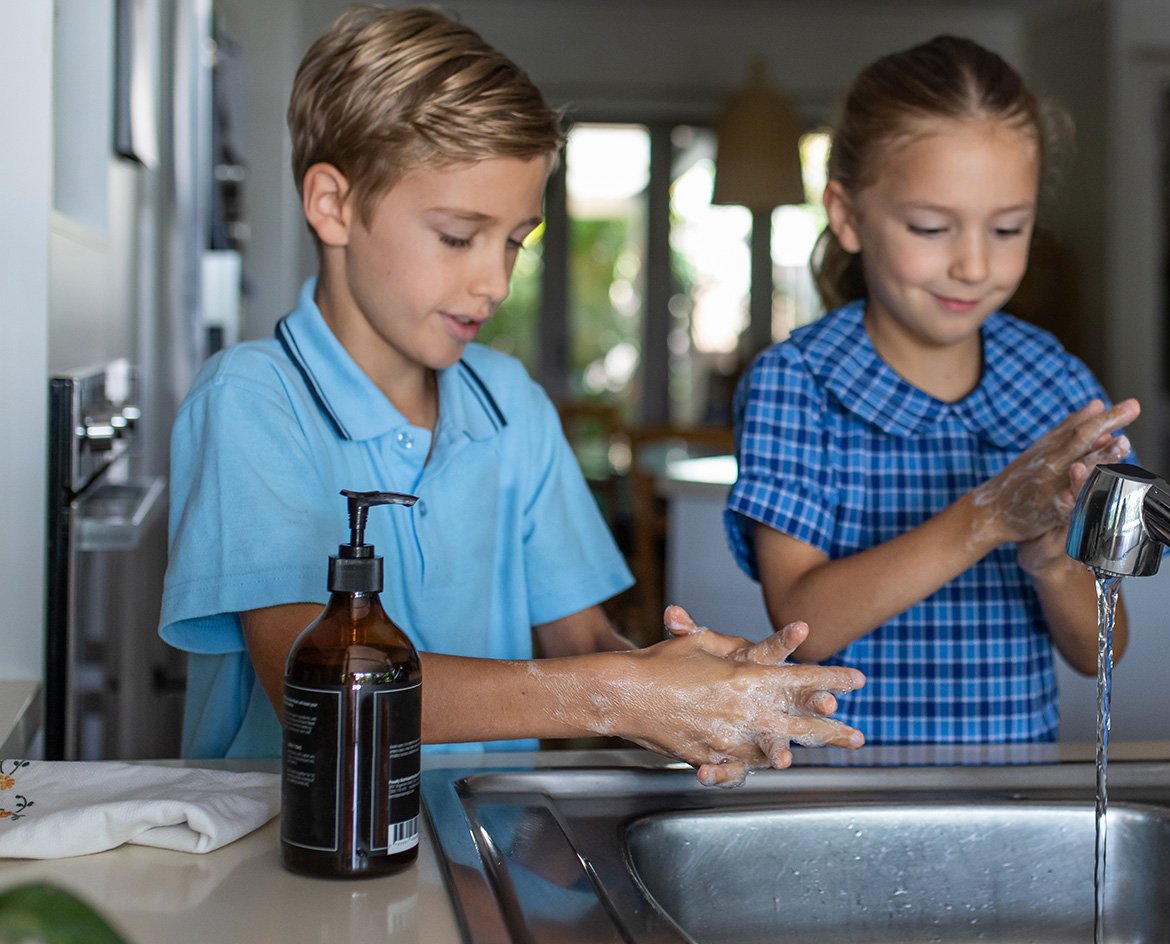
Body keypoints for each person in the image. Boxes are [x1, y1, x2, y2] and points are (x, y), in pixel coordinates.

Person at [159, 5, 863, 787]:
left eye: (514, 241)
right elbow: (312, 686)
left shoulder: (508, 402)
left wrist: (683, 693)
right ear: (333, 204)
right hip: (292, 862)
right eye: (459, 237)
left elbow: (578, 641)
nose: (495, 282)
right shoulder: (254, 401)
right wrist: (620, 696)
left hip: (474, 845)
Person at [726, 36, 1138, 745]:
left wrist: (1050, 565)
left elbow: (1102, 654)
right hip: (844, 796)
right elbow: (803, 627)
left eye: (1008, 227)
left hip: (1015, 794)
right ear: (848, 215)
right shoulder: (799, 382)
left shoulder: (1061, 387)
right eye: (931, 226)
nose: (974, 264)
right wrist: (986, 516)